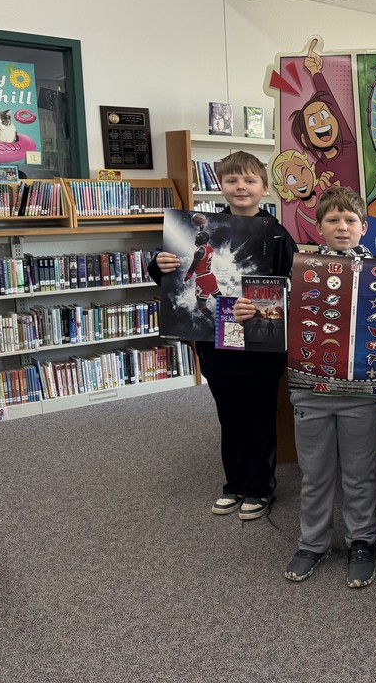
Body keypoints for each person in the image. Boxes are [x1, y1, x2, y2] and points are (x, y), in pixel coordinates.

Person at [245, 186, 376, 588]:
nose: (342, 227)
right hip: (310, 390)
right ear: (319, 226)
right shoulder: (299, 271)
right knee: (315, 472)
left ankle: (362, 541)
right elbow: (272, 319)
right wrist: (251, 311)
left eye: (349, 221)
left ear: (364, 226)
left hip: (359, 394)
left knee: (360, 473)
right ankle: (313, 542)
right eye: (332, 220)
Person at [149, 151, 296, 521]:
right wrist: (160, 265)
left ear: (264, 187)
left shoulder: (276, 233)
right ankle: (235, 484)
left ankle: (260, 487)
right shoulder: (200, 230)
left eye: (248, 180)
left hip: (260, 344)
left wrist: (262, 308)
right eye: (232, 180)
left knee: (260, 414)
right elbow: (174, 282)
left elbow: (293, 288)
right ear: (220, 186)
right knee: (229, 414)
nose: (240, 186)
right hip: (216, 342)